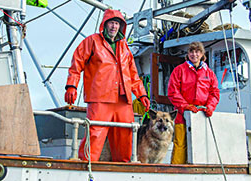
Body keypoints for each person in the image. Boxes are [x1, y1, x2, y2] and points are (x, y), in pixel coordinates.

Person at [65, 9, 150, 162]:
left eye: (117, 23)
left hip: (123, 100)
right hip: (100, 98)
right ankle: (86, 165)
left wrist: (142, 94)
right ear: (104, 24)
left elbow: (133, 75)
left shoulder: (125, 48)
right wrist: (71, 85)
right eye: (111, 23)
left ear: (121, 26)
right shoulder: (91, 41)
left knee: (125, 136)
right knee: (95, 133)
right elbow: (76, 64)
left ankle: (123, 168)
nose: (113, 26)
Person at [167, 41, 220, 164]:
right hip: (182, 116)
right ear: (188, 54)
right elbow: (173, 92)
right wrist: (185, 106)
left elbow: (214, 93)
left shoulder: (209, 74)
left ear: (202, 54)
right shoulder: (179, 70)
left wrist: (210, 107)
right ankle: (177, 171)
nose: (194, 54)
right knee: (180, 144)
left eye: (197, 51)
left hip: (202, 116)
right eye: (191, 51)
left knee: (201, 145)